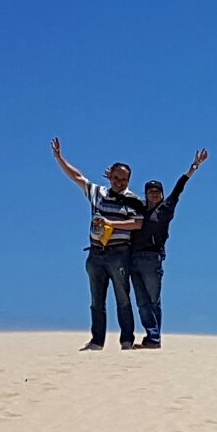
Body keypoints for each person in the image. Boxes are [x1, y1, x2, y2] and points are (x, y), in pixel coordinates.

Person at [53, 138, 145, 350]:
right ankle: (97, 341)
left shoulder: (134, 200)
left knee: (123, 299)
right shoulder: (99, 193)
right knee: (97, 301)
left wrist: (112, 223)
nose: (119, 182)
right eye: (116, 178)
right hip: (96, 254)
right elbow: (77, 177)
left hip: (119, 253)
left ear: (129, 180)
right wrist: (60, 158)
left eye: (123, 179)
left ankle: (127, 340)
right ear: (110, 176)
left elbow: (138, 224)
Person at [126, 148, 209, 350]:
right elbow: (119, 196)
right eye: (150, 192)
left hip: (152, 258)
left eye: (157, 192)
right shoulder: (138, 209)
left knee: (153, 301)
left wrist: (194, 167)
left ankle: (155, 338)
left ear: (162, 195)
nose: (153, 195)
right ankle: (150, 336)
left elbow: (179, 187)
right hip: (132, 258)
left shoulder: (166, 209)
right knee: (141, 302)